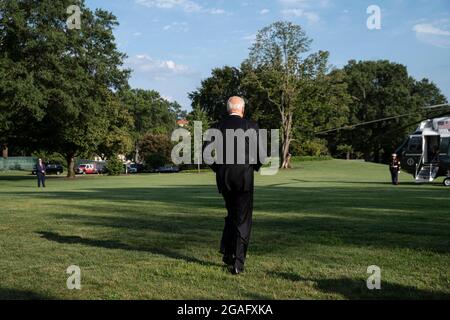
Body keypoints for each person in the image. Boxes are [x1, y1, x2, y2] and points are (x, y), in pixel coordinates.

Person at [205, 96, 263, 275]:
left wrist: (219, 169)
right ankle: (238, 262)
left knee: (232, 215)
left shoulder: (216, 127)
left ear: (227, 109)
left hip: (224, 178)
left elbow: (206, 155)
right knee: (243, 220)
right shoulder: (251, 126)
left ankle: (227, 253)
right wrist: (253, 167)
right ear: (242, 109)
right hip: (244, 178)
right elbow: (261, 157)